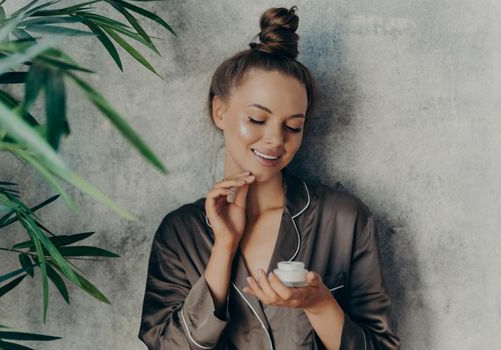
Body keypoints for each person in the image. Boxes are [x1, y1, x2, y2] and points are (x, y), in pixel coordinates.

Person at [138, 5, 400, 350]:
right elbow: (166, 346)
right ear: (221, 112)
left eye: (293, 126)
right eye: (258, 120)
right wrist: (224, 249)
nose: (276, 140)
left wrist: (319, 304)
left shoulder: (344, 218)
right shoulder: (179, 232)